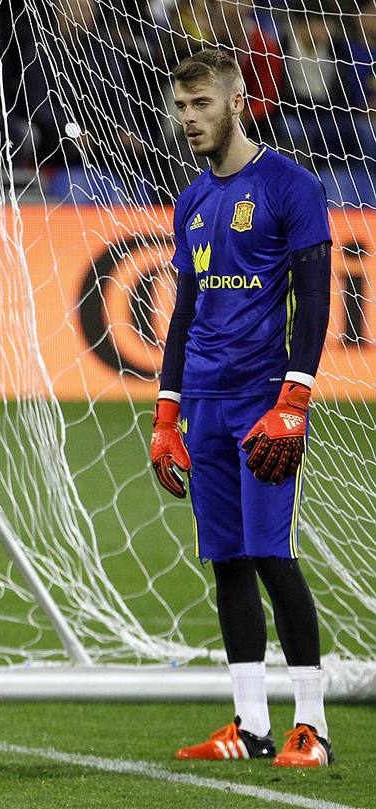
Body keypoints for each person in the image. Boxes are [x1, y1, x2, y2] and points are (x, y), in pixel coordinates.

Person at [153, 49, 334, 768]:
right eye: (180, 106)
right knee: (225, 560)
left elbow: (316, 300)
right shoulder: (192, 201)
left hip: (265, 403)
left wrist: (294, 399)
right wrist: (166, 416)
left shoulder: (291, 185)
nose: (188, 118)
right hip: (203, 404)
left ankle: (311, 726)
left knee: (271, 554)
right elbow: (182, 315)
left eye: (200, 104)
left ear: (234, 102)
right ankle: (250, 725)